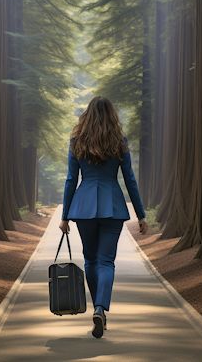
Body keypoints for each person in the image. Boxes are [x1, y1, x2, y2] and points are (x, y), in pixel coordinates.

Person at [59, 96, 148, 339]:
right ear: (112, 116)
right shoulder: (119, 141)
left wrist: (65, 216)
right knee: (106, 261)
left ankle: (98, 310)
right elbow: (129, 179)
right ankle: (100, 308)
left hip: (84, 206)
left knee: (90, 260)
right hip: (112, 205)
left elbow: (70, 180)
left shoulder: (77, 141)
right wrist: (141, 214)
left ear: (86, 116)